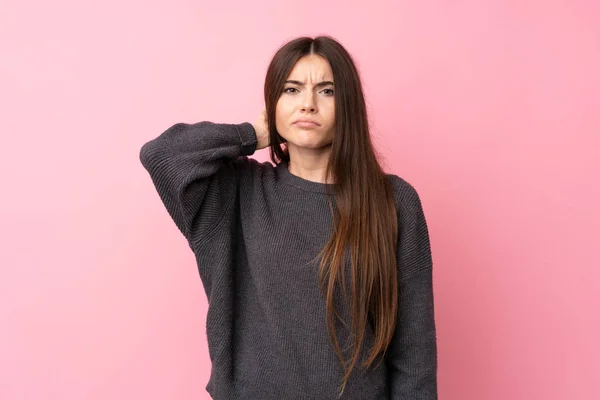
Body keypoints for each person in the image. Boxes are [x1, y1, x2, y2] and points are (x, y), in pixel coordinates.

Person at [140, 35, 437, 399]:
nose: (308, 104)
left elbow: (414, 357)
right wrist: (251, 134)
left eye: (327, 91)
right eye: (291, 90)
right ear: (273, 103)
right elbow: (162, 156)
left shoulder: (394, 201)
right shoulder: (238, 190)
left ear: (349, 106)